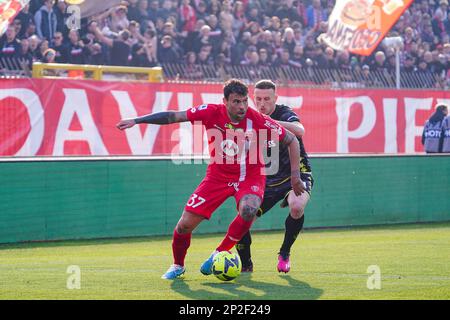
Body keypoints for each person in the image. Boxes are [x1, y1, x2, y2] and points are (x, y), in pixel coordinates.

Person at [116, 79, 306, 279]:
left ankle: (219, 252)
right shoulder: (210, 112)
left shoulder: (256, 118)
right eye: (236, 102)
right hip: (218, 176)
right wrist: (138, 120)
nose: (242, 107)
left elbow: (292, 140)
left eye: (244, 101)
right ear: (225, 101)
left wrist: (295, 177)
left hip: (250, 175)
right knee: (184, 225)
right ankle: (178, 265)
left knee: (249, 209)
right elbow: (173, 116)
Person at [236, 79, 313, 273]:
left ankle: (285, 252)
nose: (262, 103)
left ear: (275, 98)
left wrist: (268, 122)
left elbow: (300, 130)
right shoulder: (246, 119)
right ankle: (246, 265)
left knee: (296, 206)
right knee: (243, 219)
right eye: (258, 99)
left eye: (267, 99)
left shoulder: (284, 113)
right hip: (266, 180)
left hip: (296, 174)